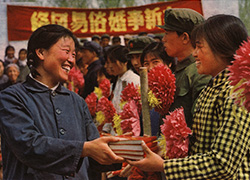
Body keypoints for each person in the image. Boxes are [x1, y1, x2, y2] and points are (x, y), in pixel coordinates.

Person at [128, 14, 250, 179]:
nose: (195, 54)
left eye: (200, 47)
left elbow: (223, 164)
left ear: (221, 48)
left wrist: (164, 165)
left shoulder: (235, 93)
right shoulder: (214, 87)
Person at [0, 24, 124, 179]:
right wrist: (84, 149)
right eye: (66, 52)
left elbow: (95, 154)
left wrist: (126, 150)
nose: (71, 60)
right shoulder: (11, 98)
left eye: (73, 54)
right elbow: (28, 146)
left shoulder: (76, 101)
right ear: (41, 52)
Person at [157, 8, 211, 128]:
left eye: (167, 33)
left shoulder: (199, 72)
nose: (163, 39)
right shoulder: (179, 70)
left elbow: (200, 124)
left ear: (185, 38)